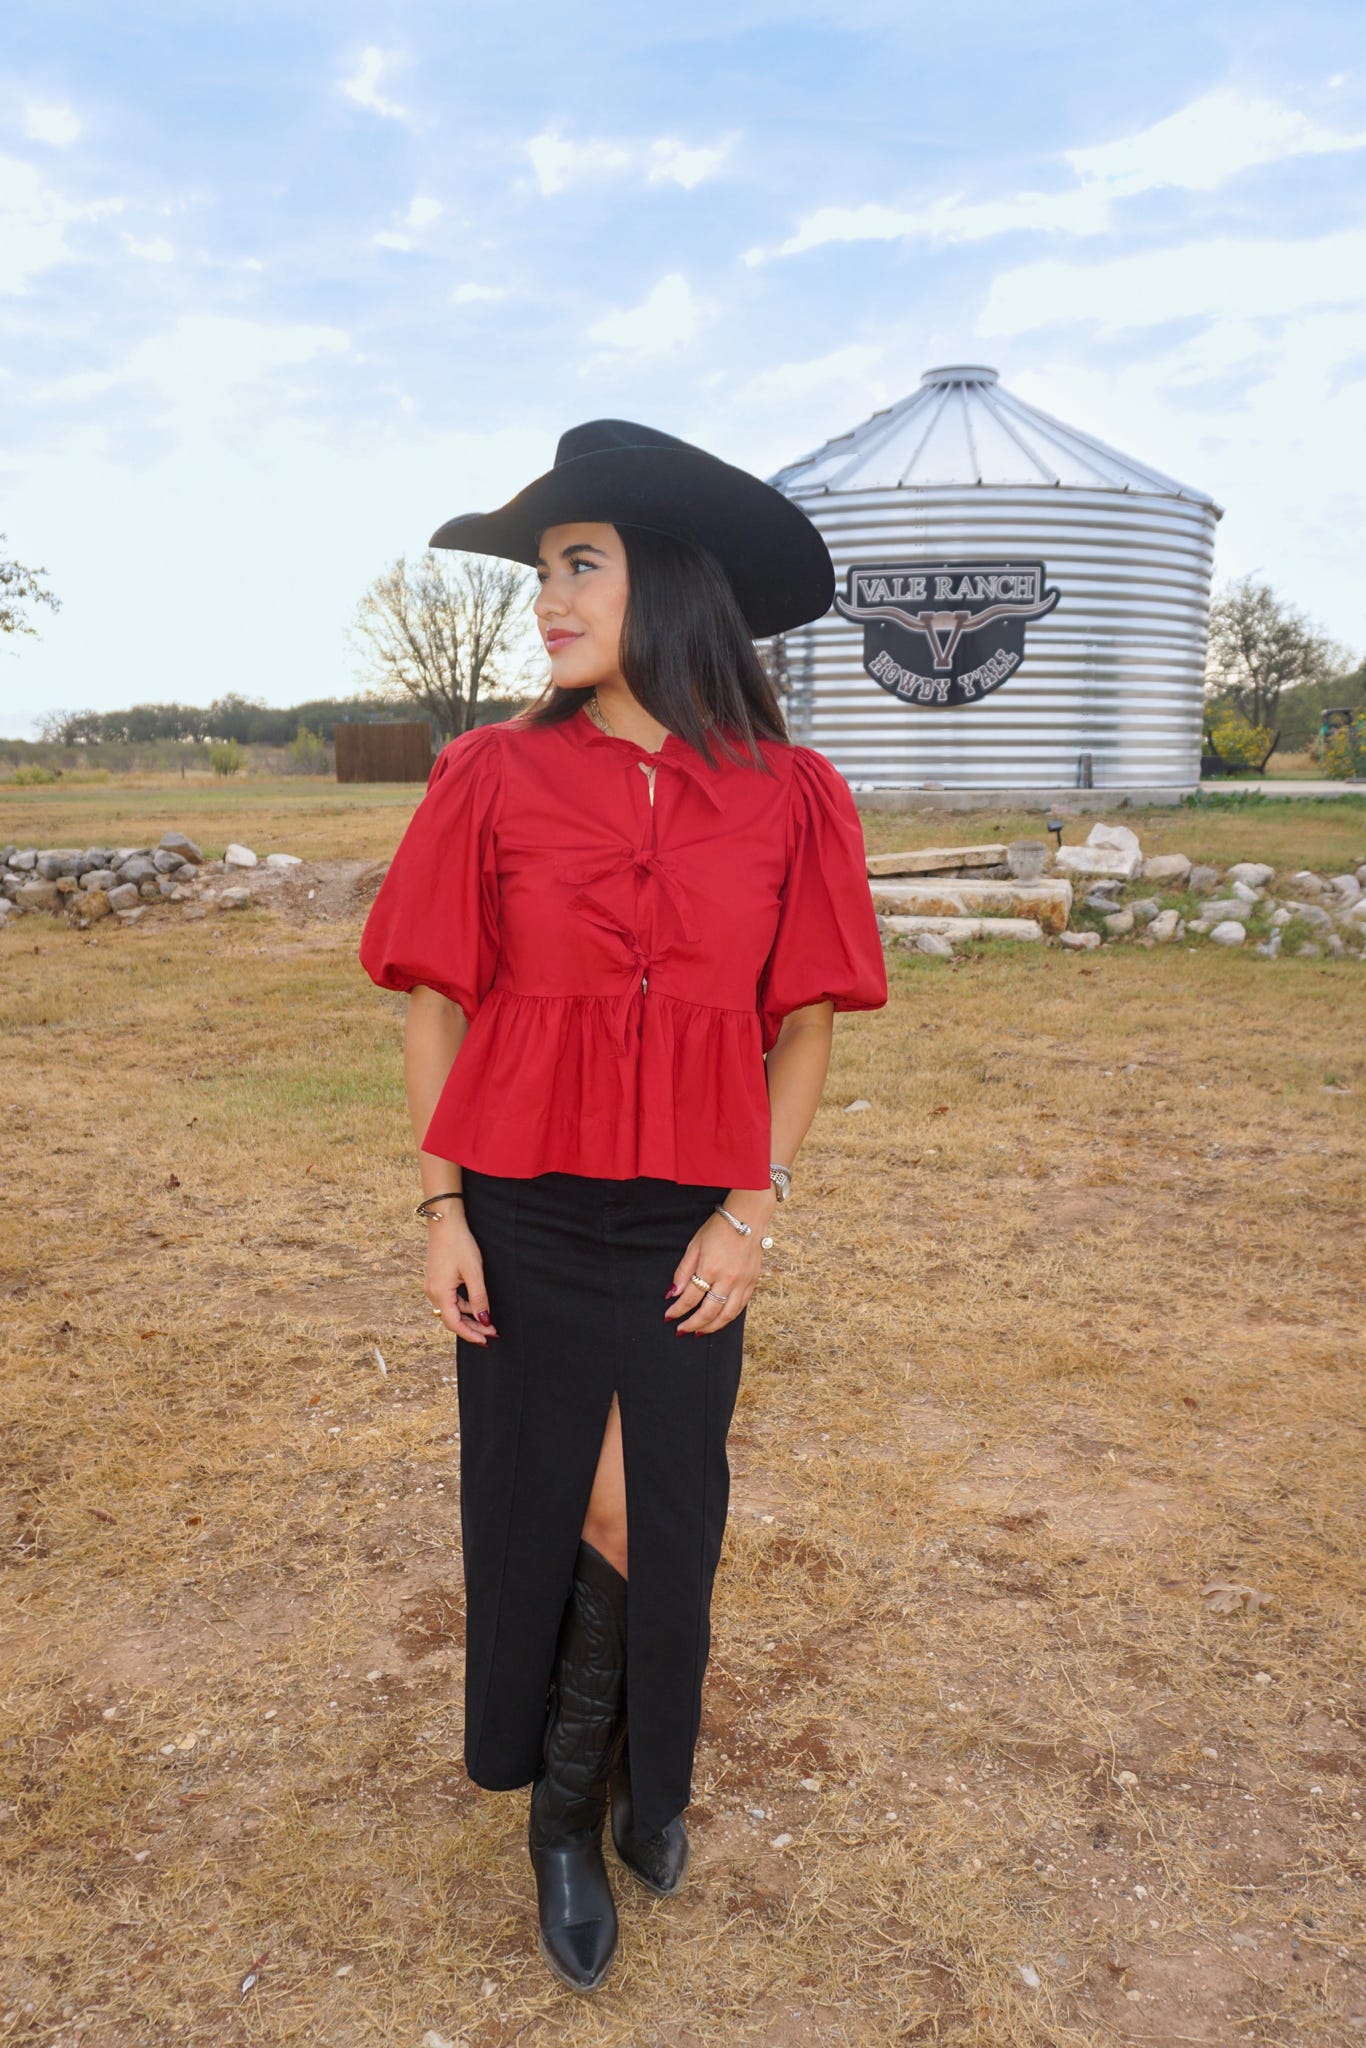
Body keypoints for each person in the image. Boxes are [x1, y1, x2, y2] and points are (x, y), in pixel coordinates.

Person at [357, 418, 888, 1994]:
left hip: (686, 1215)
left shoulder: (790, 794)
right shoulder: (491, 773)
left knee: (666, 1512)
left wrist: (753, 1210)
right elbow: (432, 1006)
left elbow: (804, 1021)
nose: (546, 602)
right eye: (541, 575)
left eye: (574, 567)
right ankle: (564, 1828)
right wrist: (439, 1206)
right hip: (522, 1207)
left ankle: (643, 1776)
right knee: (562, 1506)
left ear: (662, 584)